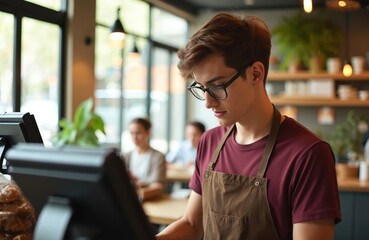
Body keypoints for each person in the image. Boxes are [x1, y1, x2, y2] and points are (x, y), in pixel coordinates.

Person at [156, 13, 341, 240]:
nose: (207, 102)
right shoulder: (210, 141)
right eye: (201, 88)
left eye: (217, 86)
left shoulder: (308, 155)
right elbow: (193, 224)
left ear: (255, 73)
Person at [123, 117, 166, 201]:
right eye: (132, 133)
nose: (135, 137)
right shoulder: (125, 156)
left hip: (150, 200)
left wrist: (137, 190)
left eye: (138, 133)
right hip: (129, 199)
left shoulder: (158, 157)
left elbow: (158, 185)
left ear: (148, 132)